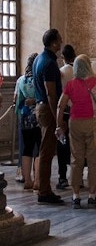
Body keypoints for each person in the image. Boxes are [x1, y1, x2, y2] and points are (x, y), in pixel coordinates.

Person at [56, 54, 96, 209]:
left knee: (76, 159)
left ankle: (75, 196)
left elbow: (61, 105)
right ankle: (92, 196)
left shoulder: (71, 84)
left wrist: (59, 124)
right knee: (93, 161)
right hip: (93, 123)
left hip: (75, 123)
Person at [33, 28, 65, 205]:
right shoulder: (49, 63)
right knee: (46, 152)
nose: (61, 42)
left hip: (41, 107)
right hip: (47, 108)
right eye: (59, 39)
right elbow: (51, 93)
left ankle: (43, 187)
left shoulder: (39, 58)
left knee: (45, 150)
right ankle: (44, 191)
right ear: (53, 43)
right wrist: (58, 118)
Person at [15, 53, 41, 190]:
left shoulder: (21, 80)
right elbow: (43, 97)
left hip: (25, 117)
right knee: (39, 149)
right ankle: (37, 180)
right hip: (38, 116)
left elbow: (18, 101)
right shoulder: (39, 79)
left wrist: (20, 116)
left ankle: (27, 181)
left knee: (27, 148)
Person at [56, 43, 76, 190]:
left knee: (62, 145)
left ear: (63, 57)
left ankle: (62, 177)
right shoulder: (79, 71)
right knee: (77, 146)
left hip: (65, 112)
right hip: (78, 112)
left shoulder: (61, 72)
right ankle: (78, 176)